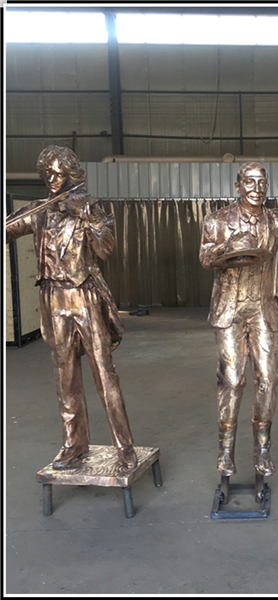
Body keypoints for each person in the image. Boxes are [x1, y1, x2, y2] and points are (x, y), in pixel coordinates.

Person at [6, 145, 137, 471]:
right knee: (65, 377)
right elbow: (8, 229)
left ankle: (124, 446)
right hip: (52, 299)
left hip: (84, 295)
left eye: (59, 172)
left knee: (104, 373)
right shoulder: (39, 210)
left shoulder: (88, 206)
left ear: (71, 173)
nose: (53, 179)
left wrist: (90, 218)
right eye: (47, 173)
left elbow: (105, 249)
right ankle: (74, 444)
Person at [199, 162, 278, 477]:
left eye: (262, 182)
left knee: (268, 379)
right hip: (229, 310)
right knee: (231, 380)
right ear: (237, 186)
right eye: (249, 182)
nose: (257, 188)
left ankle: (262, 448)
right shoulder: (217, 220)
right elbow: (206, 258)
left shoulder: (277, 219)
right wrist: (231, 245)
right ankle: (225, 451)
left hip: (263, 308)